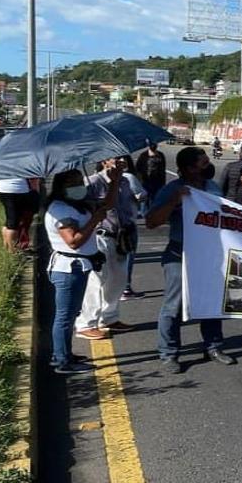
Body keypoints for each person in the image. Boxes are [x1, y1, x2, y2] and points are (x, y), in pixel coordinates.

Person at [147, 147, 236, 373]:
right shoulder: (172, 190)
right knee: (174, 306)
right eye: (203, 163)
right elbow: (151, 221)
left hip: (209, 254)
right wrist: (175, 202)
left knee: (211, 302)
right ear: (188, 168)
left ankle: (213, 346)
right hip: (180, 254)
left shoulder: (212, 188)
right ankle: (169, 354)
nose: (209, 166)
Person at [45, 169, 111, 375]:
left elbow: (108, 204)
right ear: (62, 187)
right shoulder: (58, 209)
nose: (79, 186)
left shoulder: (77, 205)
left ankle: (65, 353)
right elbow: (73, 241)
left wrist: (115, 181)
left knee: (71, 313)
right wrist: (94, 220)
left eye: (79, 181)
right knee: (64, 316)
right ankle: (62, 360)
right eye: (73, 183)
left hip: (79, 267)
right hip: (67, 268)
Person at [74, 158, 134, 340]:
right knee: (96, 281)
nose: (121, 161)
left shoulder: (124, 181)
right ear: (105, 161)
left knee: (118, 279)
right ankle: (86, 323)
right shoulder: (92, 182)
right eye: (116, 158)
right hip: (99, 236)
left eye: (123, 157)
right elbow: (80, 207)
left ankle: (109, 318)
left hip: (120, 236)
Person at [119, 156, 148, 299]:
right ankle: (125, 288)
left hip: (106, 226)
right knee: (127, 257)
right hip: (126, 225)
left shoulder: (96, 177)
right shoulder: (129, 177)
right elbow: (141, 195)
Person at [0, 178, 38, 252]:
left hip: (1, 189)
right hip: (17, 190)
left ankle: (7, 248)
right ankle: (12, 251)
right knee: (13, 223)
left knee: (9, 221)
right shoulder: (22, 165)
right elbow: (32, 177)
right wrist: (35, 190)